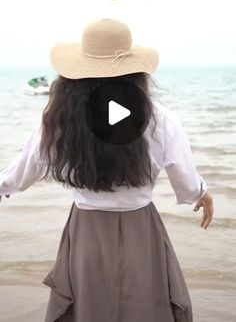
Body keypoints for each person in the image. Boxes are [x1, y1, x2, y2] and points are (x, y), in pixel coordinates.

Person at [0, 19, 213, 322]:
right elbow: (186, 180)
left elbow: (25, 169)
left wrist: (3, 187)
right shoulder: (160, 120)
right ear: (135, 73)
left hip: (86, 230)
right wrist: (201, 193)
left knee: (89, 309)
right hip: (142, 229)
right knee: (145, 306)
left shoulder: (59, 121)